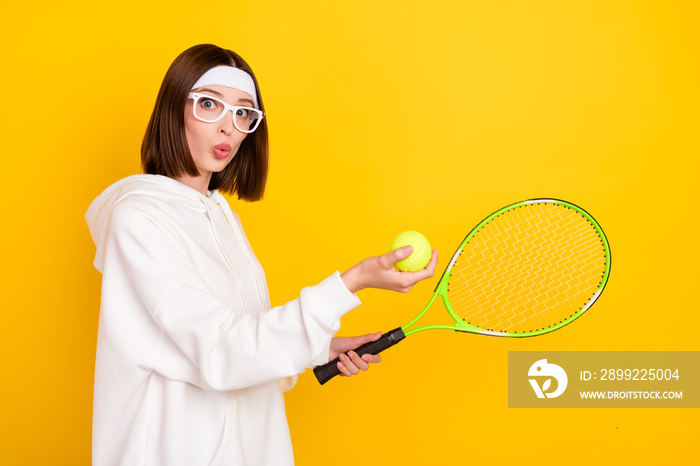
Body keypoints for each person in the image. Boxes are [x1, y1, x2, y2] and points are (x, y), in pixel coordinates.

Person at [85, 43, 438, 465]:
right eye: (209, 105)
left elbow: (241, 338)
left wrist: (315, 350)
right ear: (173, 109)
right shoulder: (138, 219)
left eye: (242, 113)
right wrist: (353, 281)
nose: (227, 127)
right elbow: (221, 353)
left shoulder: (220, 215)